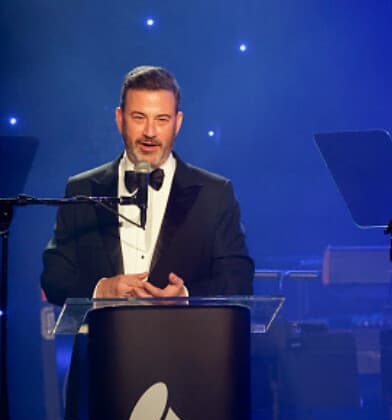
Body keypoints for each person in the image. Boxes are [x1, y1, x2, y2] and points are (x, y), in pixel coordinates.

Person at [41, 65, 254, 306]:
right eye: (139, 118)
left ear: (178, 122)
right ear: (120, 119)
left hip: (186, 340)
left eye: (161, 119)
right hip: (105, 340)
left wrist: (185, 296)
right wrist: (101, 289)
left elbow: (238, 279)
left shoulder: (215, 193)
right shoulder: (82, 189)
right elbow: (54, 277)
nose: (150, 132)